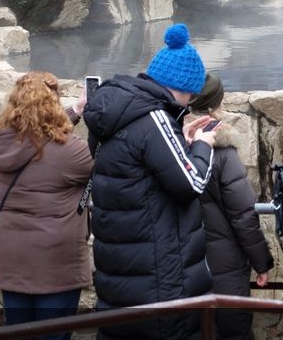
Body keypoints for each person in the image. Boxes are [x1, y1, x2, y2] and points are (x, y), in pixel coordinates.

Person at [83, 23, 217, 340]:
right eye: (190, 94)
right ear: (179, 87)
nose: (189, 102)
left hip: (122, 274)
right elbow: (191, 184)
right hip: (159, 278)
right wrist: (201, 145)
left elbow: (143, 169)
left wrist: (179, 140)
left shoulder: (117, 113)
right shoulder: (153, 119)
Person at [0, 71, 93, 339]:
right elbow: (100, 163)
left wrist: (76, 110)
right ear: (53, 105)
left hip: (11, 257)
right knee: (53, 334)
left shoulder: (1, 143)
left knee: (18, 333)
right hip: (55, 263)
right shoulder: (72, 152)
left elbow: (38, 141)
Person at [189, 73, 274, 340]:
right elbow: (243, 216)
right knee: (232, 330)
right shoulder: (223, 152)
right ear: (218, 104)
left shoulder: (168, 142)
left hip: (181, 261)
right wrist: (262, 263)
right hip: (222, 266)